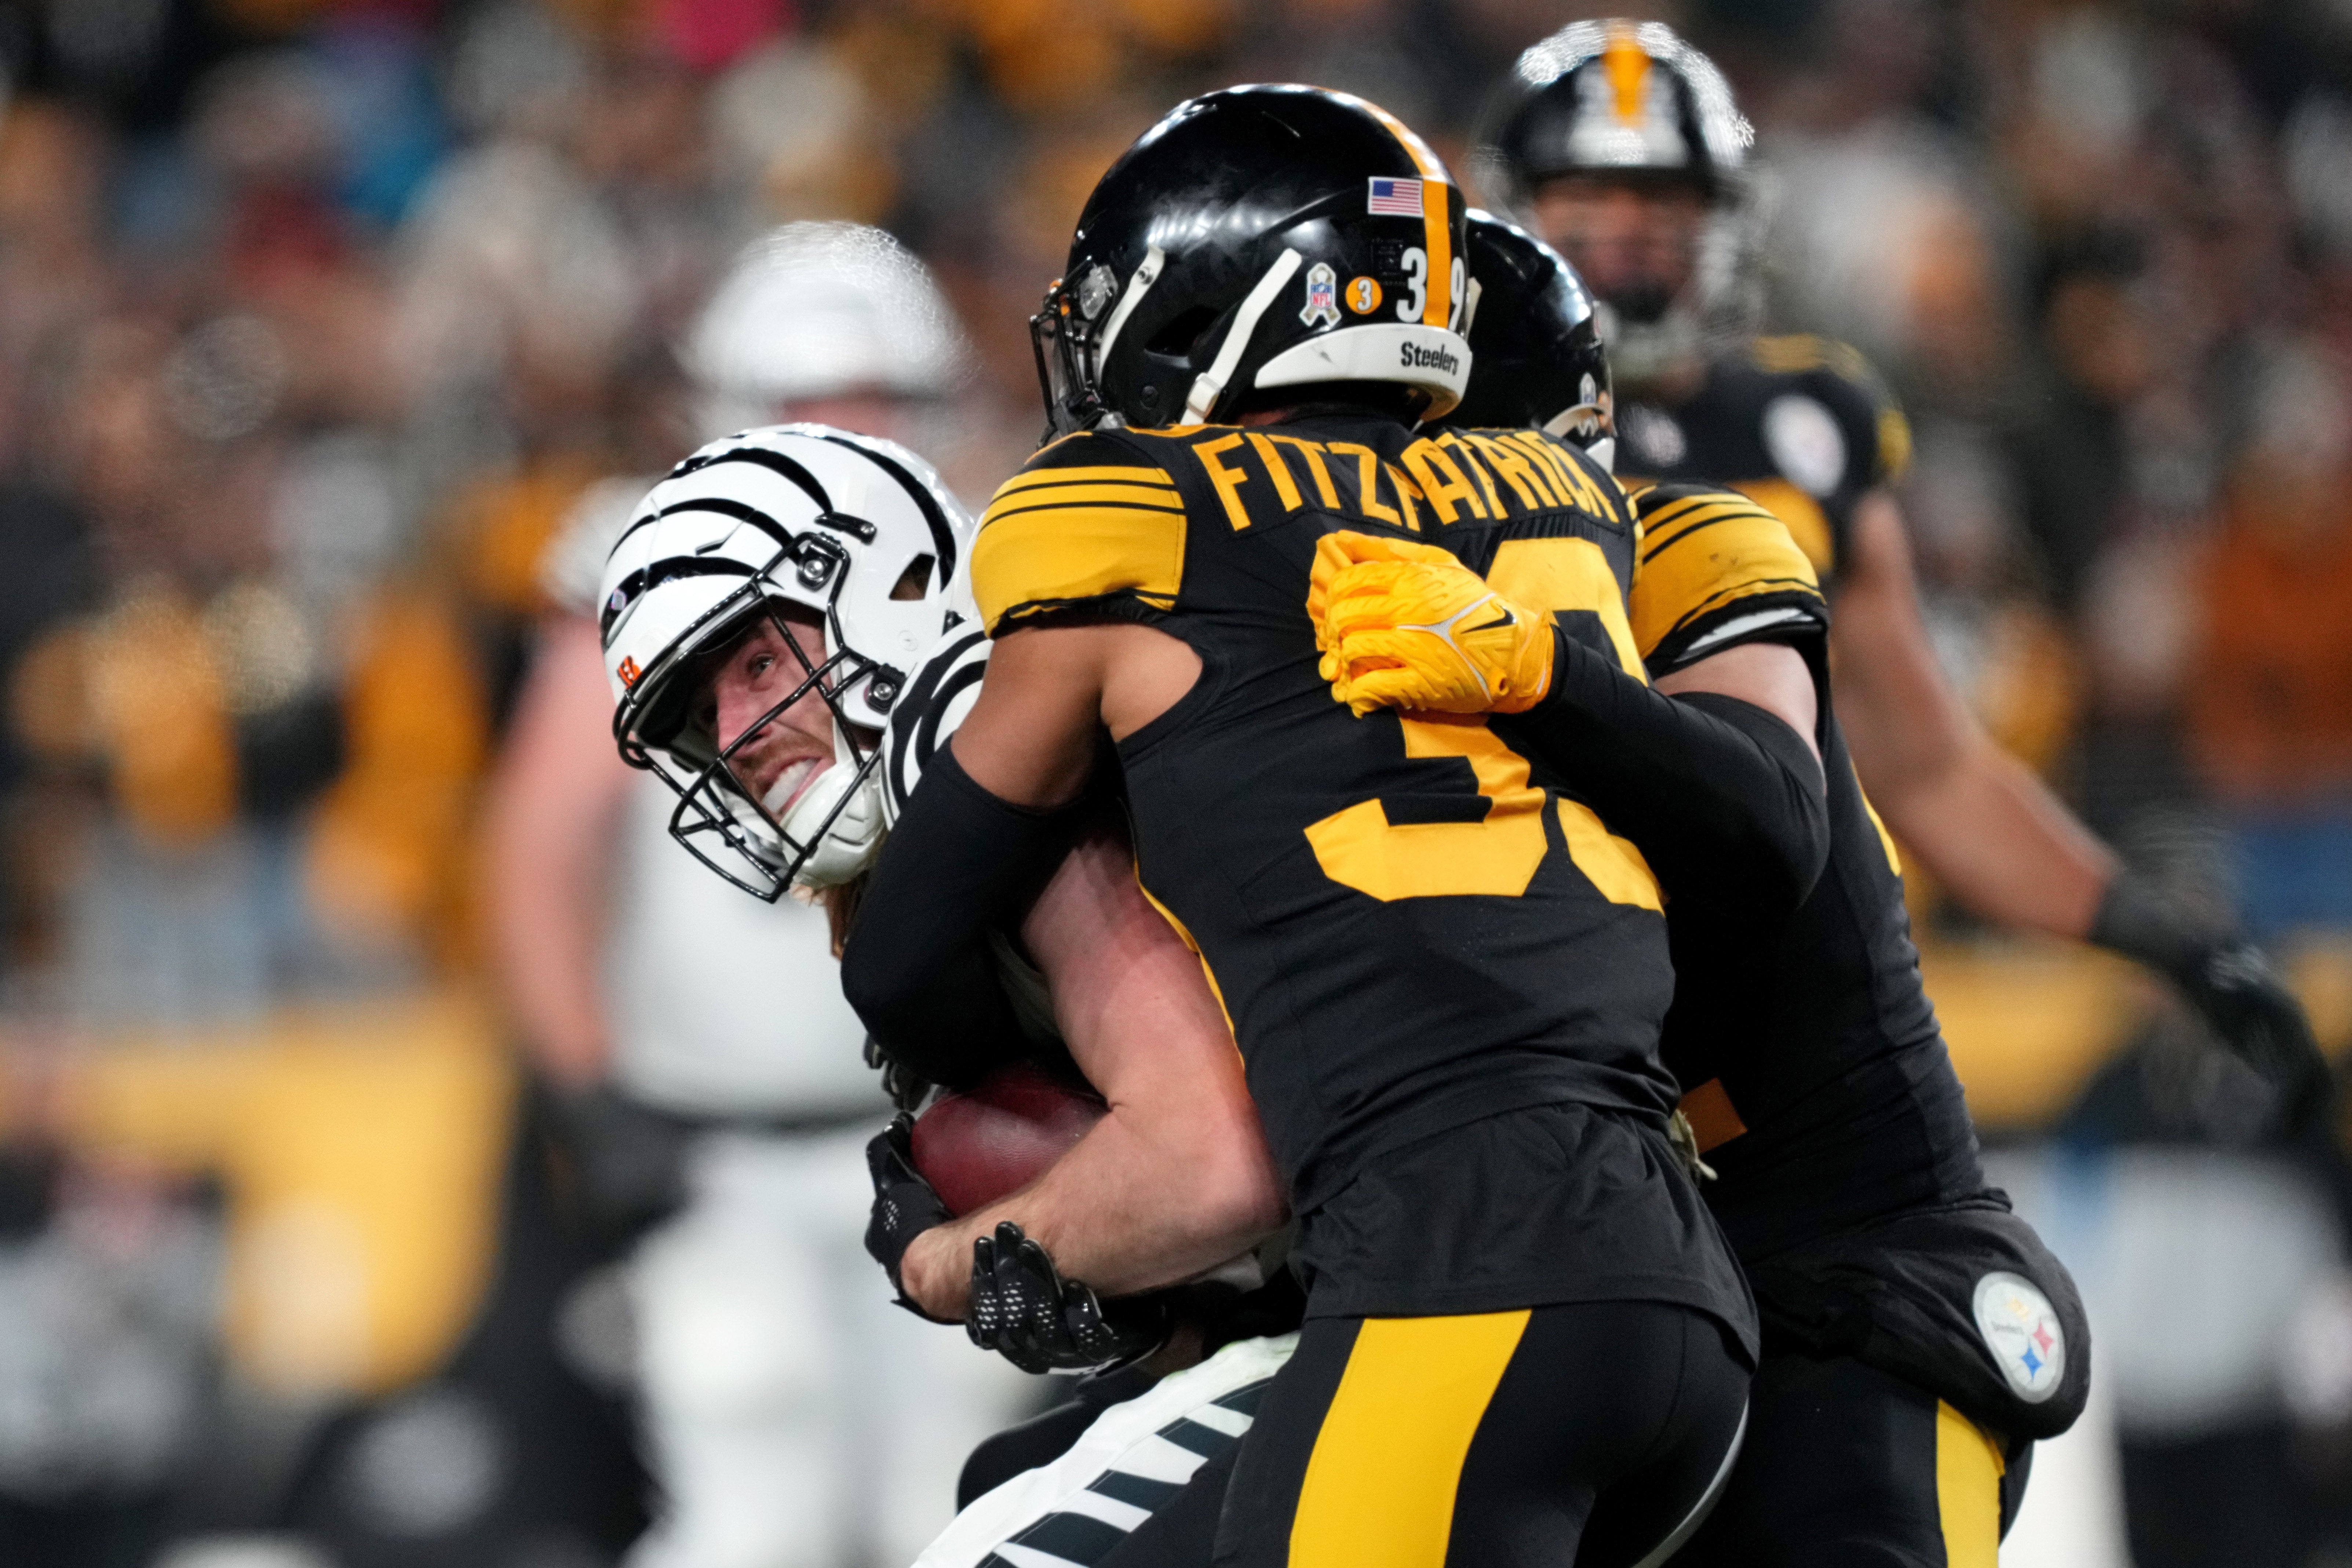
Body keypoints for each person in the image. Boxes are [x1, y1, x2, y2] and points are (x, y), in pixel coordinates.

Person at [841, 86, 1834, 1568]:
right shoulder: (1562, 515)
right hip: (1680, 1305)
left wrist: (954, 1228)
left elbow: (908, 943)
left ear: (1202, 309)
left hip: (1458, 1280)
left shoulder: (1125, 529)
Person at [1473, 19, 2330, 1132]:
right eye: (1585, 200)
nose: (1627, 238)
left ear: (1726, 217)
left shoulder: (1803, 426)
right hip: (1556, 1001)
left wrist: (2172, 943)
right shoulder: (1460, 424)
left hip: (1795, 1013)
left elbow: (1926, 769)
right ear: (1514, 211)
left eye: (1663, 203)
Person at [489, 394, 1033, 1564]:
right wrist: (590, 1092)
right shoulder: (645, 557)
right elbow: (540, 844)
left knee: (953, 1513)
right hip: (727, 1146)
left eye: (875, 389)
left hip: (958, 1129)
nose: (735, 735)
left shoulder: (1000, 572)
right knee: (757, 1516)